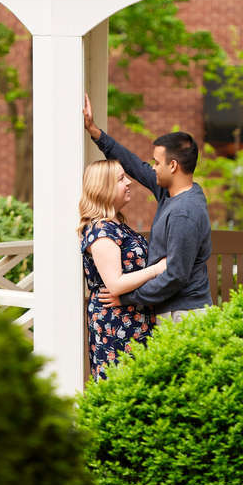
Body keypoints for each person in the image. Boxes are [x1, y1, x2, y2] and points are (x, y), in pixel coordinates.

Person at [83, 93, 212, 321]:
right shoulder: (170, 193)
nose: (152, 168)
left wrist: (128, 298)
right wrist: (95, 132)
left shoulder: (184, 211)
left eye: (156, 162)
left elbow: (175, 275)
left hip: (184, 313)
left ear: (173, 166)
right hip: (172, 310)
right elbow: (133, 164)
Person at [78, 158, 167, 380]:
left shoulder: (117, 224)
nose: (128, 182)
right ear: (104, 188)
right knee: (120, 385)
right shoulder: (101, 231)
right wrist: (157, 269)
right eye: (120, 179)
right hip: (116, 321)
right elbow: (115, 284)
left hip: (134, 314)